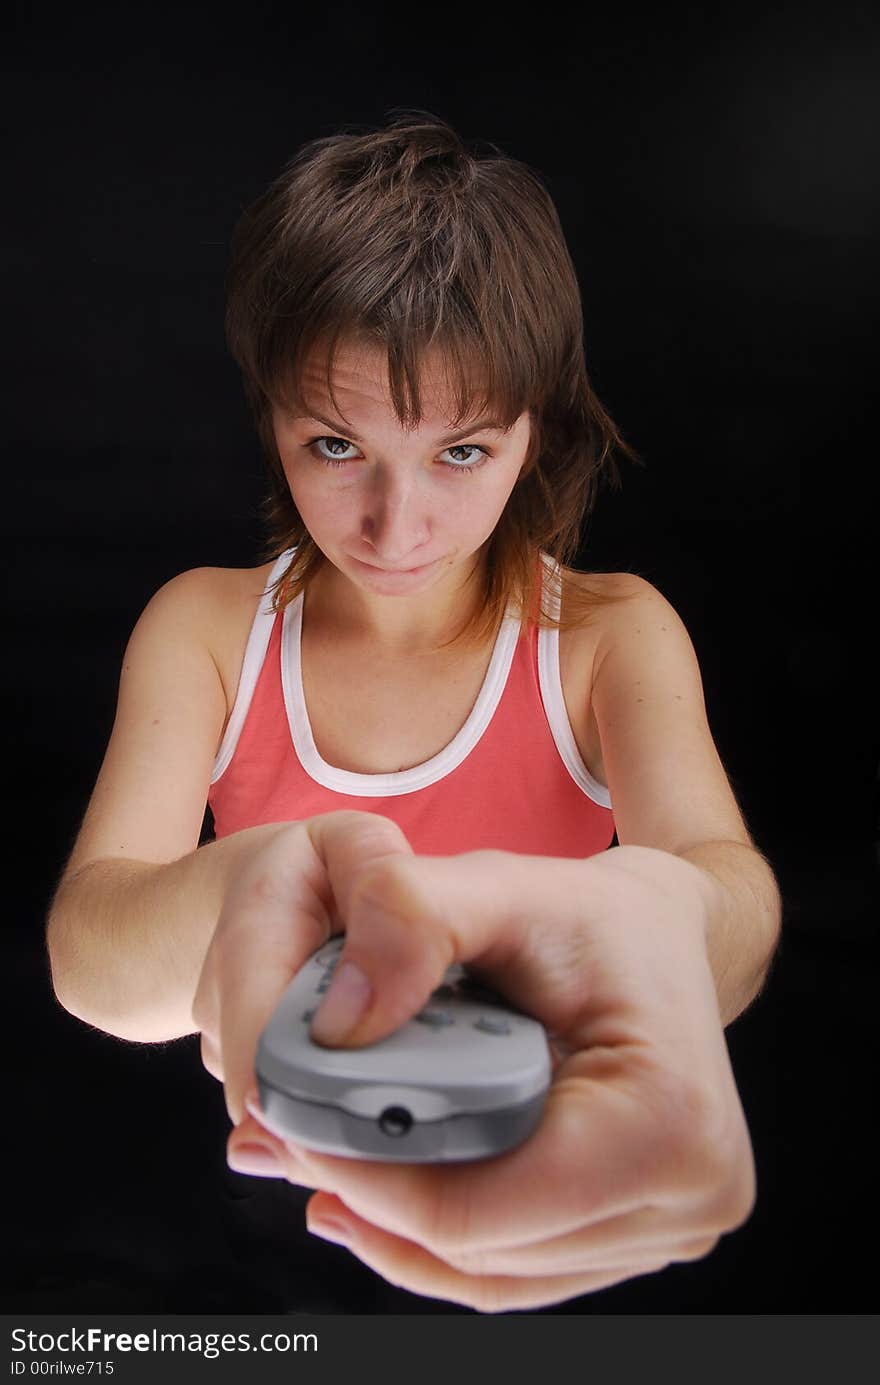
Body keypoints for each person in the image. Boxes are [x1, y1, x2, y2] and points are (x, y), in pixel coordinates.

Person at [45, 110, 782, 1312]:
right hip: (254, 1208)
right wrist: (276, 876)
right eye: (337, 444)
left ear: (532, 428)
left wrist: (651, 917)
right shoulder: (208, 628)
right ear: (273, 419)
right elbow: (94, 961)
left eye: (459, 453)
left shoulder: (605, 637)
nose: (398, 528)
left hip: (547, 1170)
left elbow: (731, 906)